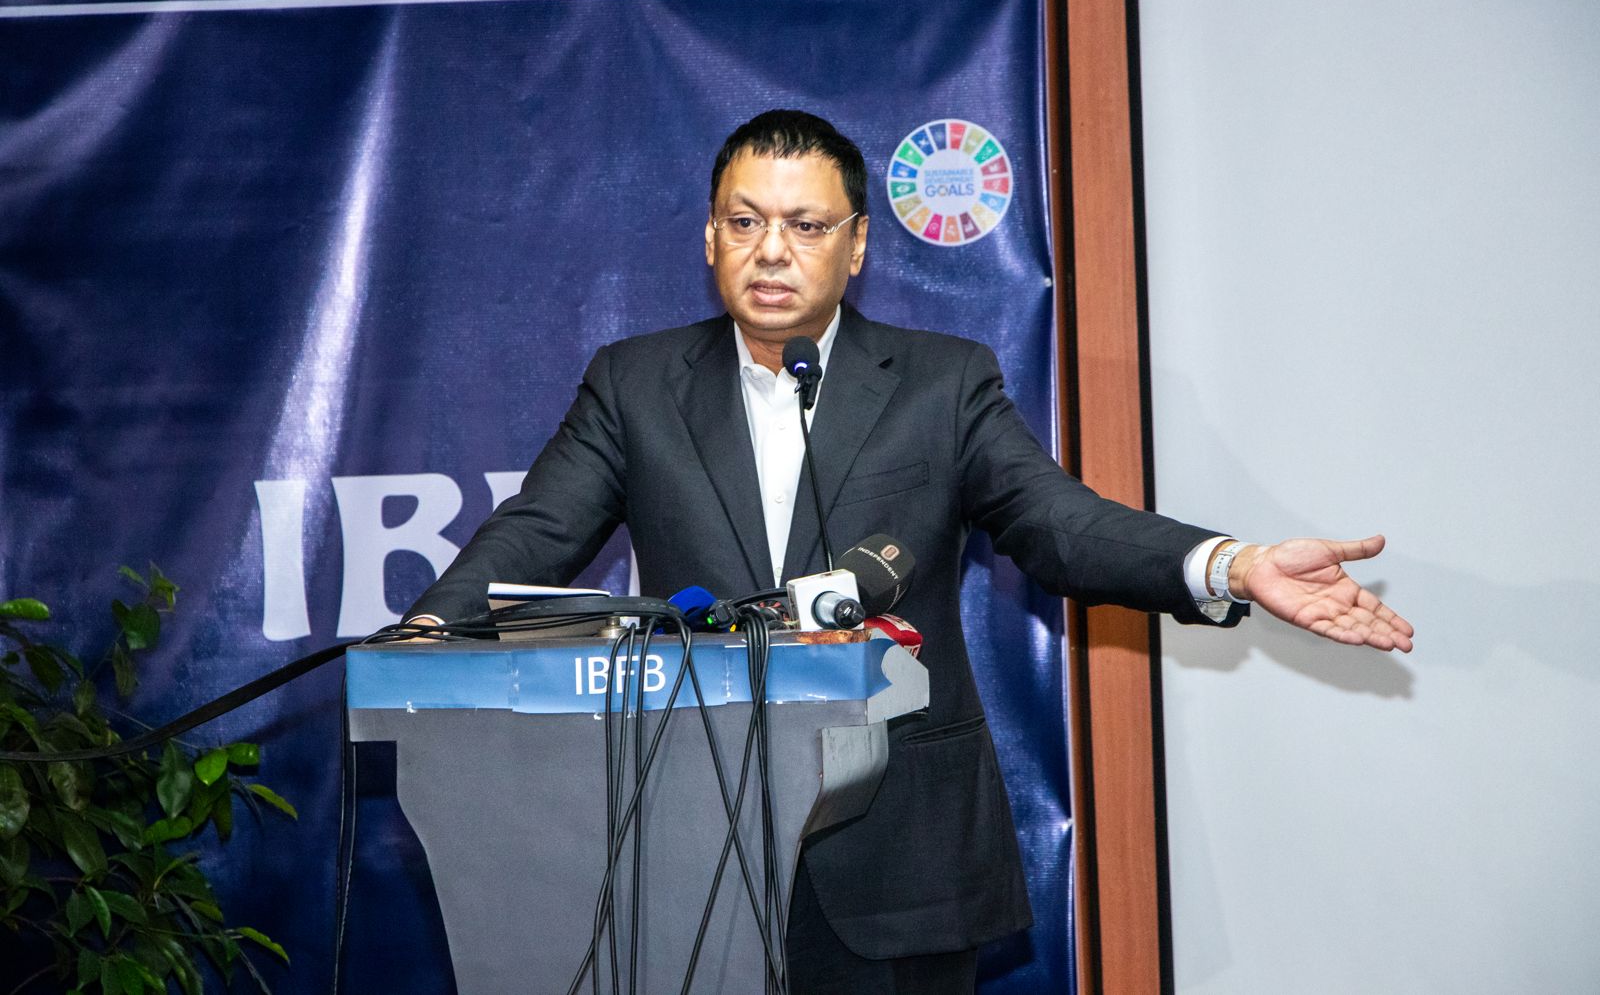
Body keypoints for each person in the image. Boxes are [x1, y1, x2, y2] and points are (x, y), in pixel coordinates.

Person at [405, 110, 1413, 994]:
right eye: (745, 221)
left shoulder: (942, 382)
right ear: (710, 237)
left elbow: (1057, 521)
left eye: (806, 226)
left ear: (857, 247)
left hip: (897, 852)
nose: (771, 250)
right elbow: (538, 528)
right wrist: (429, 628)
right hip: (694, 847)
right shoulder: (635, 384)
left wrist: (1230, 564)